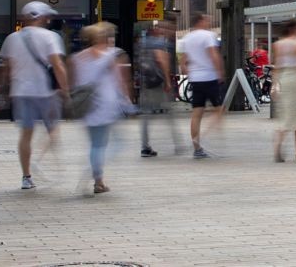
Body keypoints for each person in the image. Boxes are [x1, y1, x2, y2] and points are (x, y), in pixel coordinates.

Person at [0, 1, 69, 190]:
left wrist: (2, 91)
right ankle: (39, 160)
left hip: (21, 92)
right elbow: (58, 65)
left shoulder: (12, 38)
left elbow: (6, 69)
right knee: (52, 129)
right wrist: (65, 88)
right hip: (46, 92)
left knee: (26, 133)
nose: (48, 20)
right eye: (47, 17)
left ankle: (26, 176)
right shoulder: (50, 37)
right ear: (42, 18)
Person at [69, 22, 133, 194]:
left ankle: (99, 181)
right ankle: (93, 173)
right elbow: (120, 81)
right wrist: (127, 101)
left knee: (95, 144)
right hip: (106, 104)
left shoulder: (77, 58)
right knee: (115, 144)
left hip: (86, 105)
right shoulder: (112, 55)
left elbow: (74, 83)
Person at [179, 13, 224, 159]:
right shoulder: (208, 35)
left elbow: (183, 62)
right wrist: (219, 72)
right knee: (220, 109)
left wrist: (189, 73)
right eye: (207, 20)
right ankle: (206, 136)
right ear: (200, 21)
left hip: (196, 79)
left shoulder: (187, 37)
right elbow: (213, 54)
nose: (209, 22)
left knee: (196, 113)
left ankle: (197, 147)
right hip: (209, 77)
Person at [139, 24, 182, 157]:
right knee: (168, 113)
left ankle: (145, 146)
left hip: (146, 82)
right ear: (157, 31)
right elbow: (161, 60)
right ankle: (177, 143)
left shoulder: (143, 43)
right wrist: (168, 82)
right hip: (158, 83)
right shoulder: (160, 43)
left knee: (145, 115)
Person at [272, 19, 296, 163]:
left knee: (285, 114)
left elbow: (277, 66)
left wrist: (274, 86)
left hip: (284, 78)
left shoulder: (278, 44)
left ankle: (279, 140)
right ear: (295, 29)